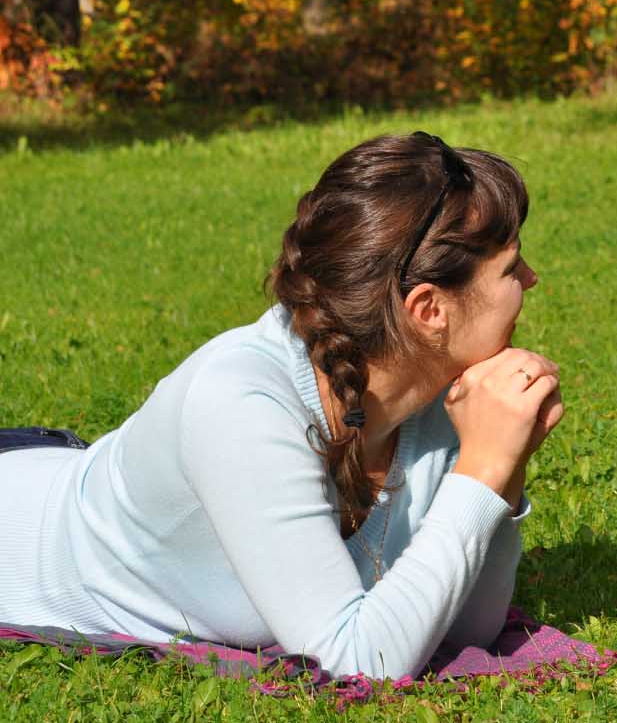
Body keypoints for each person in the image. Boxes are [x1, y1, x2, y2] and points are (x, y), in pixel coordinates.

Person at [0, 132, 564, 678]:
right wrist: (479, 472)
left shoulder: (445, 390)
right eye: (511, 268)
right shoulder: (241, 404)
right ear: (428, 309)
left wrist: (501, 471)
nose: (533, 279)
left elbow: (465, 631)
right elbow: (358, 664)